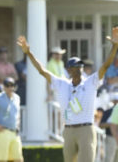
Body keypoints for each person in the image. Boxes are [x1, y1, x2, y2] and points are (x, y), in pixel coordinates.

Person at [17, 27, 118, 162]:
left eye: (80, 66)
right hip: (69, 131)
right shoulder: (62, 84)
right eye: (75, 66)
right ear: (69, 69)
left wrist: (115, 47)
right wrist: (28, 53)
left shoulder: (90, 82)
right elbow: (42, 70)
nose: (79, 69)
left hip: (86, 129)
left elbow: (105, 66)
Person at [100, 93, 118, 162]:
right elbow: (101, 125)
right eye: (116, 101)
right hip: (110, 138)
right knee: (109, 159)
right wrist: (111, 124)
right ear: (113, 101)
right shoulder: (108, 111)